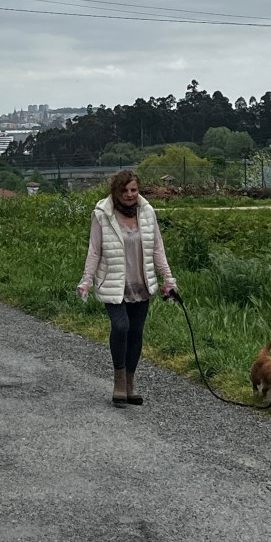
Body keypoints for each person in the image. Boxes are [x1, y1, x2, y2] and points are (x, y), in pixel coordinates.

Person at [77, 169, 177, 407]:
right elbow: (95, 250)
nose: (130, 195)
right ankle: (119, 382)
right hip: (114, 284)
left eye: (134, 190)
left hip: (140, 284)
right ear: (116, 191)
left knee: (136, 333)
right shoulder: (102, 215)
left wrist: (168, 280)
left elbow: (157, 248)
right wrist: (86, 280)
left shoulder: (147, 212)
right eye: (125, 190)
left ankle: (130, 385)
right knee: (121, 326)